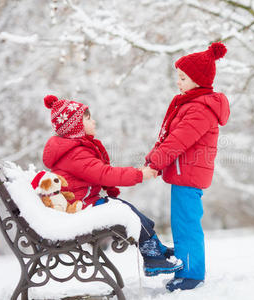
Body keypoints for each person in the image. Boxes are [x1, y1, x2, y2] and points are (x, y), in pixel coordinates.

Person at [41, 94, 182, 276]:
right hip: (80, 207)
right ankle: (153, 257)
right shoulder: (75, 154)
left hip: (85, 203)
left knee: (129, 210)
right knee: (126, 211)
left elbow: (100, 173)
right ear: (75, 127)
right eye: (88, 118)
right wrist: (140, 174)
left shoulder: (74, 150)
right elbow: (104, 174)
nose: (94, 121)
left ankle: (155, 249)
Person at [145, 42, 230, 291]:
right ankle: (186, 270)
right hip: (184, 174)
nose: (179, 82)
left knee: (186, 225)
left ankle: (191, 275)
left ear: (198, 80)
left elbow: (177, 140)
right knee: (182, 223)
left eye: (183, 78)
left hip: (188, 175)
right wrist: (156, 159)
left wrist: (155, 161)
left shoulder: (199, 109)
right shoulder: (191, 104)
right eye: (178, 77)